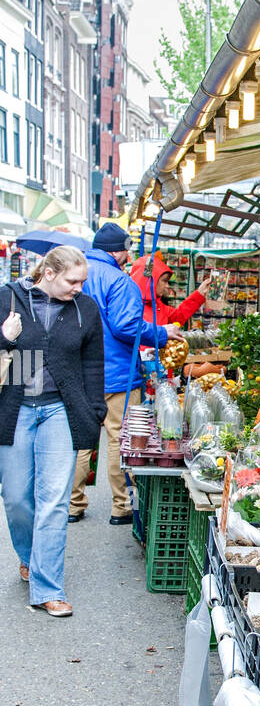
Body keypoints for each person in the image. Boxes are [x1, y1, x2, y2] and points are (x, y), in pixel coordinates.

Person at [0, 246, 106, 617]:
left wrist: (95, 411)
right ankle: (29, 555)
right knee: (16, 498)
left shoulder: (85, 309)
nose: (79, 287)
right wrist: (5, 337)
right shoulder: (9, 299)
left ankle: (49, 588)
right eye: (72, 280)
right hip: (14, 410)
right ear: (48, 274)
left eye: (82, 281)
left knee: (54, 501)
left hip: (59, 410)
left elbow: (93, 364)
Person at [68, 223, 175, 526]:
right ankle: (121, 507)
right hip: (116, 374)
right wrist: (162, 333)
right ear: (117, 250)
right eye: (127, 250)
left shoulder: (74, 276)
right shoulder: (120, 281)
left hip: (80, 372)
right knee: (120, 439)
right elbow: (127, 327)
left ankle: (73, 504)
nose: (129, 256)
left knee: (81, 441)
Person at [128, 253, 212, 329]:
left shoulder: (159, 306)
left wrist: (200, 293)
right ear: (150, 281)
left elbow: (179, 316)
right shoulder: (129, 308)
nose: (167, 285)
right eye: (164, 281)